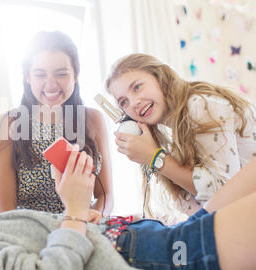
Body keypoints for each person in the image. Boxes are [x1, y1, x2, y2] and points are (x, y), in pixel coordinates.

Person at [0, 147, 256, 270]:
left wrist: (78, 211)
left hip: (157, 238)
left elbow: (69, 243)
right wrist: (72, 208)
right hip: (160, 254)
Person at [105, 53, 256, 218]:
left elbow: (223, 194)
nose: (133, 103)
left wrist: (155, 157)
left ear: (160, 78)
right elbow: (200, 211)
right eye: (123, 102)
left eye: (137, 87)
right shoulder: (175, 135)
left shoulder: (200, 105)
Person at [0, 31, 113, 220]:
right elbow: (4, 210)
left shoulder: (92, 119)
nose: (51, 85)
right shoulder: (8, 124)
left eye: (61, 74)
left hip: (83, 224)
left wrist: (95, 216)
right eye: (40, 75)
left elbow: (105, 194)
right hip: (28, 231)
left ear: (75, 75)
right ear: (27, 77)